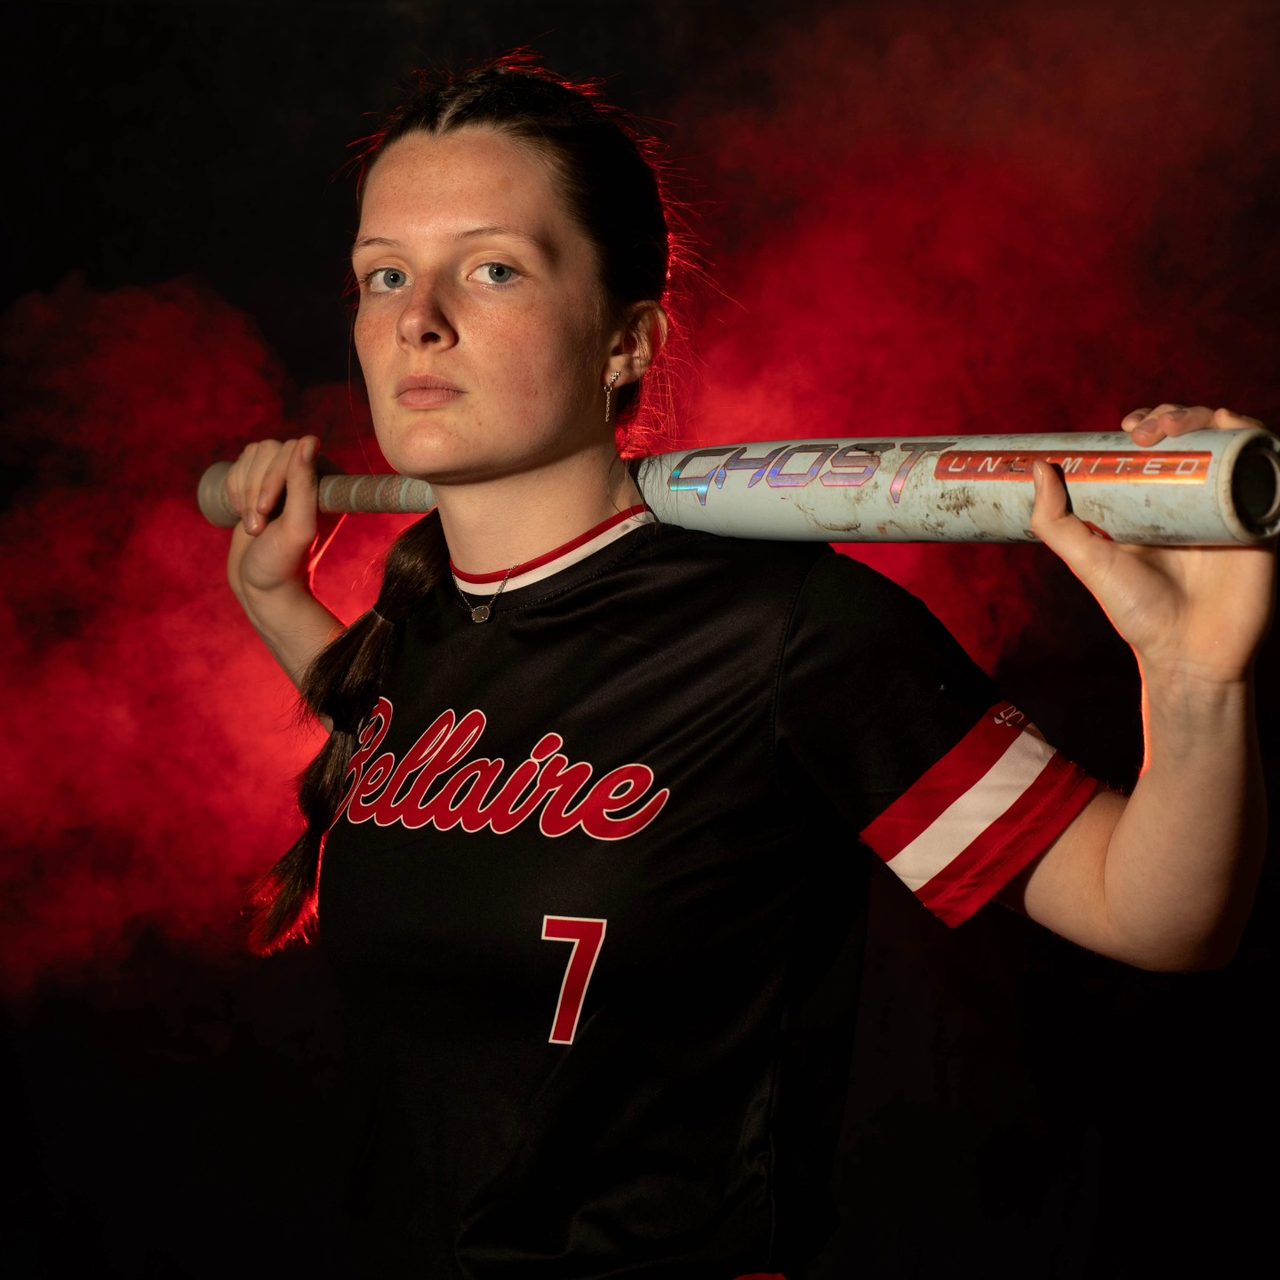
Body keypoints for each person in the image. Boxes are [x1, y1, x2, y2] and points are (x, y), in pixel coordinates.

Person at [221, 55, 1272, 1279]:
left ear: (627, 339)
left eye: (492, 267)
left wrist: (1193, 681)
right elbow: (445, 764)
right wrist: (276, 598)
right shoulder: (417, 633)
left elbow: (1154, 913)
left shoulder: (787, 631)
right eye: (383, 274)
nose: (419, 315)